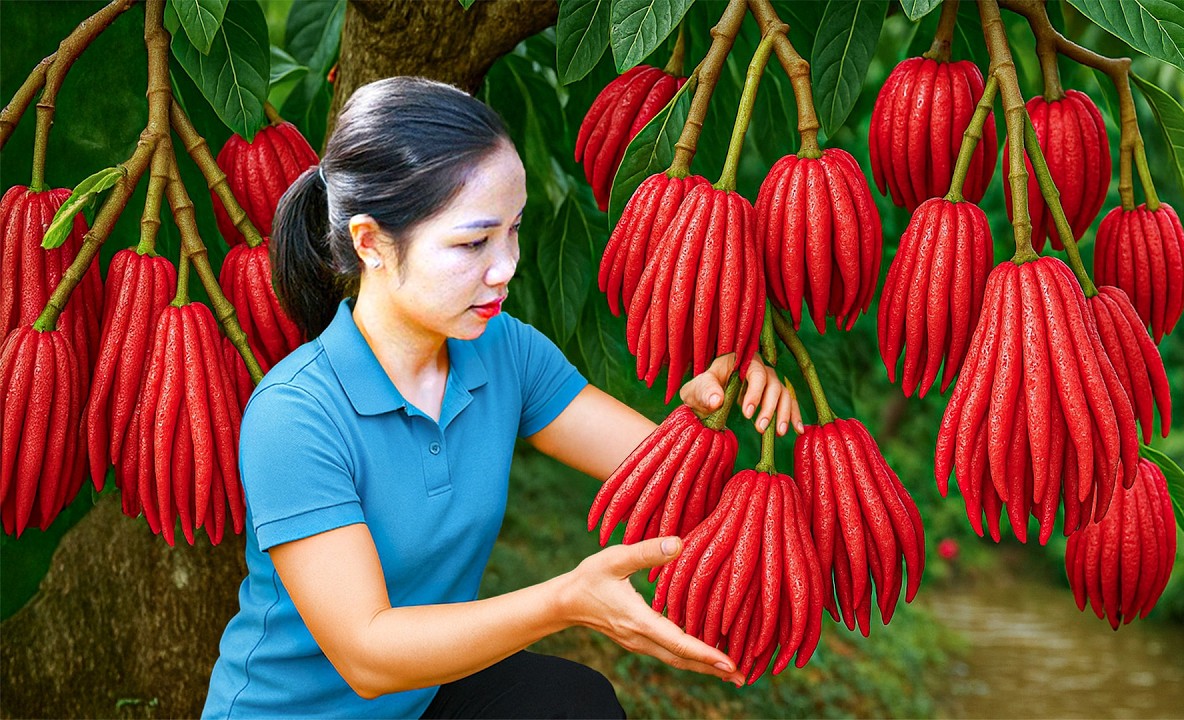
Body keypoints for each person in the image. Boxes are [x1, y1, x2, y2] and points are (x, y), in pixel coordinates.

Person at [201, 76, 803, 719]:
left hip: (420, 702)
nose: (506, 266)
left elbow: (668, 480)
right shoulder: (294, 414)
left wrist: (710, 410)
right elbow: (367, 654)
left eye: (513, 231)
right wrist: (566, 601)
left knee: (573, 704)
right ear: (371, 242)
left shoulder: (501, 349)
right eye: (472, 242)